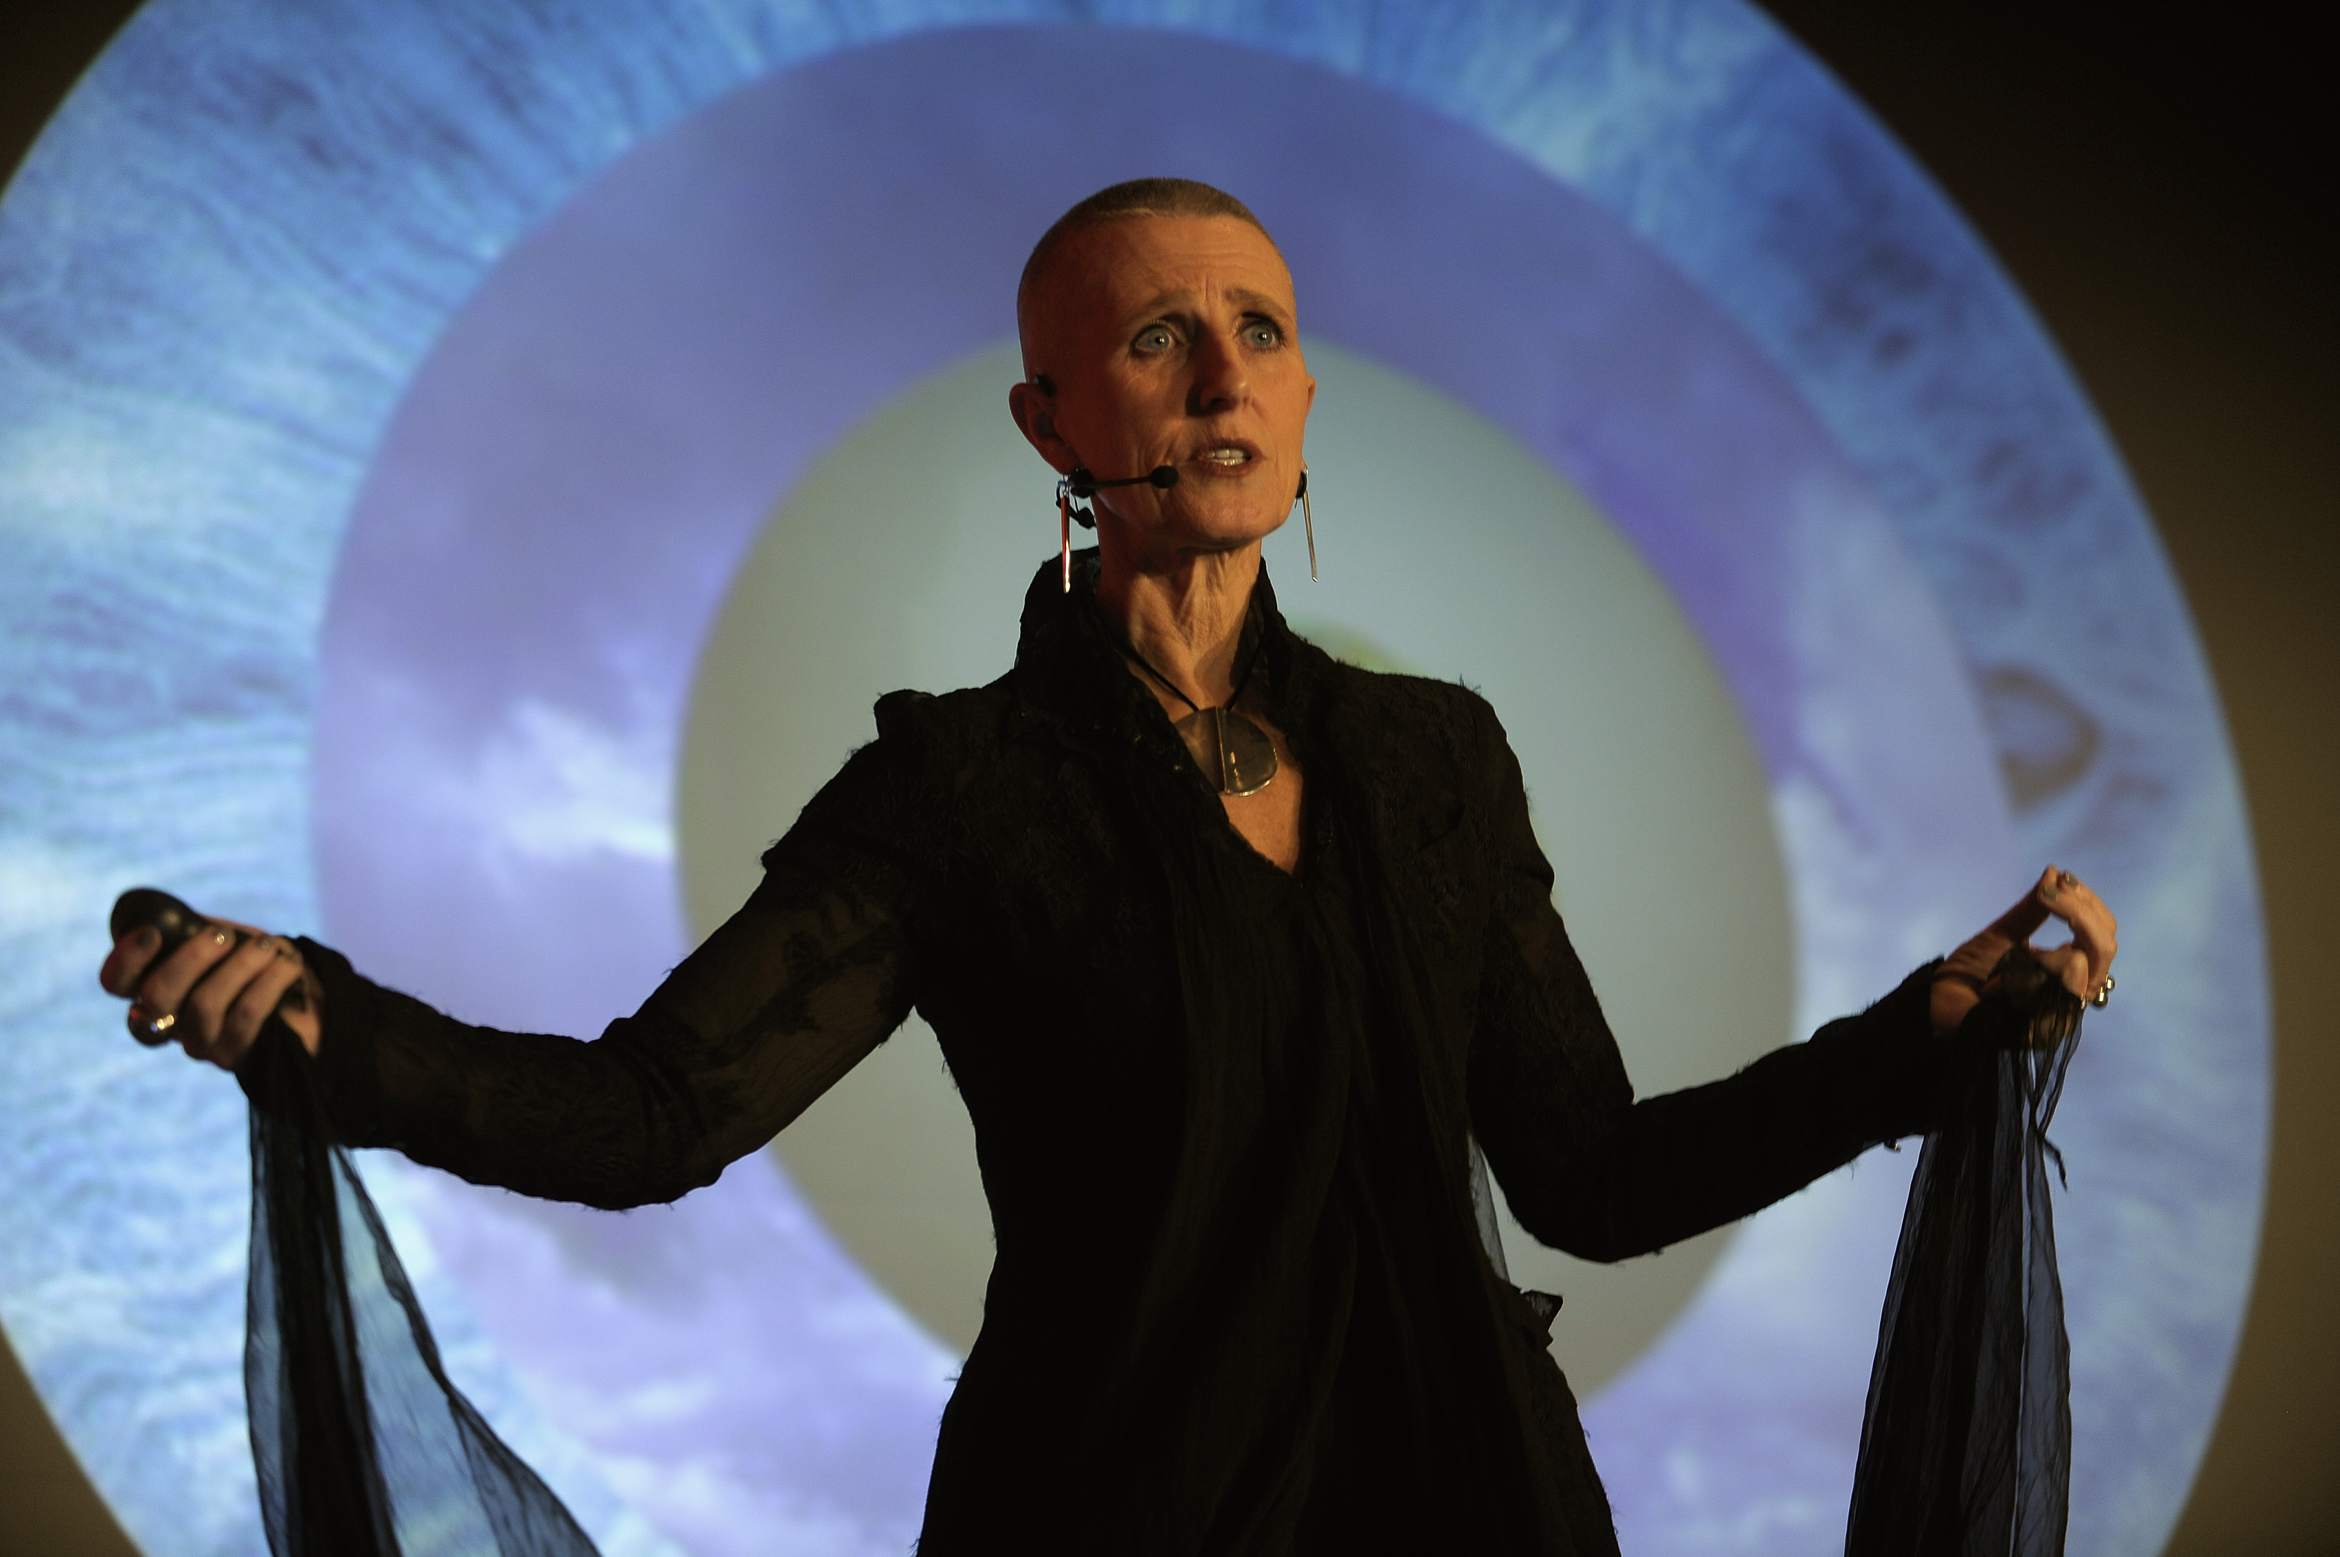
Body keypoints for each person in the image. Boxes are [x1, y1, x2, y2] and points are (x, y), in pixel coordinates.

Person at [97, 178, 2117, 1554]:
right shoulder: (958, 788)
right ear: (1051, 419)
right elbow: (650, 1115)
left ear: (1306, 400)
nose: (1224, 373)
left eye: (1261, 329)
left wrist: (1920, 1037)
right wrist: (328, 1022)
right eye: (1160, 337)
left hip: (1473, 1508)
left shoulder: (1434, 758)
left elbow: (1594, 1175)